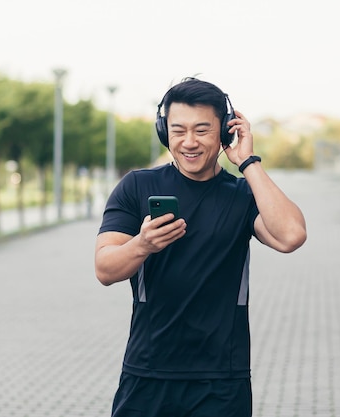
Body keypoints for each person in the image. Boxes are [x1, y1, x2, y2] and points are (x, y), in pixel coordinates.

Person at [94, 77, 307, 417]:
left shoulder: (243, 194)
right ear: (165, 132)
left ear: (224, 132)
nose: (189, 142)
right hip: (148, 372)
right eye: (178, 130)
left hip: (222, 378)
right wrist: (142, 244)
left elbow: (291, 236)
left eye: (202, 130)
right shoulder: (137, 186)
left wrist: (248, 163)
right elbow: (105, 269)